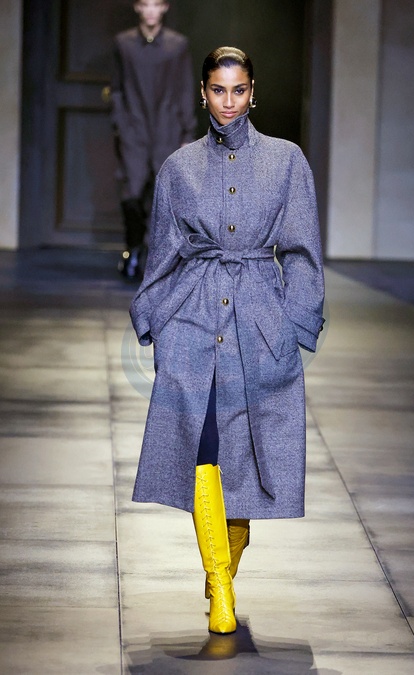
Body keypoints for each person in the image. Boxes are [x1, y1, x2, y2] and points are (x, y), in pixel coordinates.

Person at [129, 47, 325, 634]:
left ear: (253, 92)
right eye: (218, 90)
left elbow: (302, 251)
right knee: (204, 448)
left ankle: (224, 573)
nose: (229, 102)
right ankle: (220, 587)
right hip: (193, 316)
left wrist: (294, 324)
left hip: (259, 319)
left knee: (245, 459)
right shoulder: (179, 167)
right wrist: (156, 318)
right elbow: (163, 252)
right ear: (203, 93)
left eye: (239, 91)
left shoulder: (286, 162)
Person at [111, 0, 196, 279]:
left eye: (156, 4)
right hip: (134, 128)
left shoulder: (177, 45)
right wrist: (120, 124)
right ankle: (133, 249)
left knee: (165, 195)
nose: (150, 10)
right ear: (137, 7)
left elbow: (185, 89)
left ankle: (157, 256)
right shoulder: (123, 43)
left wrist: (187, 133)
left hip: (167, 128)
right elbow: (117, 88)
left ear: (165, 8)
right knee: (132, 192)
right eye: (145, 4)